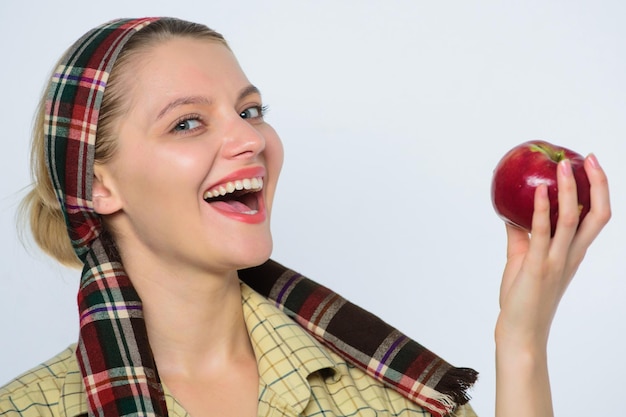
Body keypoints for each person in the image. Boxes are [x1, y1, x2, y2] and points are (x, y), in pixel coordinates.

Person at [0, 17, 610, 417]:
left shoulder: (384, 391)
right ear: (99, 183)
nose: (250, 138)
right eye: (187, 122)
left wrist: (522, 340)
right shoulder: (27, 410)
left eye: (251, 110)